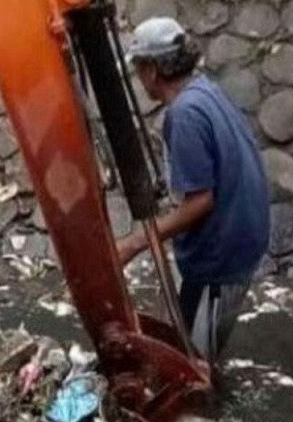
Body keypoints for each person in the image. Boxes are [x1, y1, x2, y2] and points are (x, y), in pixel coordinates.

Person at [115, 17, 270, 364]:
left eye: (139, 69)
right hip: (241, 238)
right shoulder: (206, 92)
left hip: (221, 254)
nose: (140, 80)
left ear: (153, 70)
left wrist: (137, 243)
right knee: (186, 334)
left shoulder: (184, 114)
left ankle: (202, 407)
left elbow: (201, 201)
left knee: (194, 364)